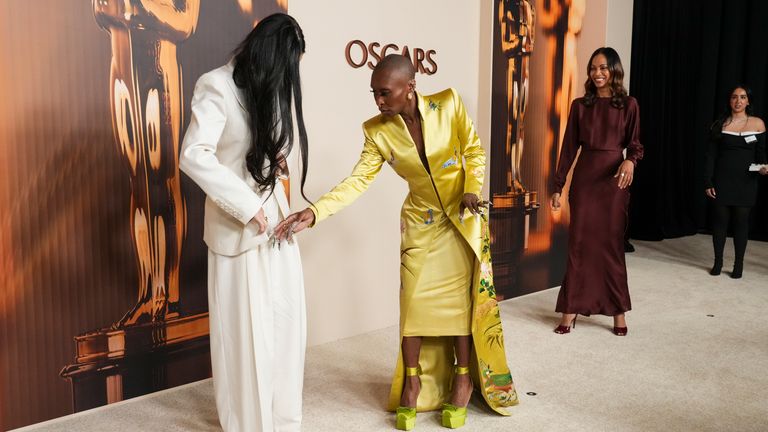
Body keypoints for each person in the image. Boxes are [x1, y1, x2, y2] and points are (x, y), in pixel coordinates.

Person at [275, 54, 518, 430]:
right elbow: (357, 180)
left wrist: (471, 190)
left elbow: (473, 150)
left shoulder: (449, 103)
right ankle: (413, 382)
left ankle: (464, 378)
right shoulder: (377, 130)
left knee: (458, 307)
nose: (378, 101)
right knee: (413, 307)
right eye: (374, 93)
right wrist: (316, 212)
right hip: (421, 225)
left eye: (385, 93)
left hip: (461, 219)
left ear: (410, 87)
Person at [179, 13, 309, 432]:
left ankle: (283, 421)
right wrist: (245, 205)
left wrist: (278, 179)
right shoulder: (214, 85)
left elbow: (263, 148)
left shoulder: (268, 87)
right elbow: (194, 154)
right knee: (244, 337)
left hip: (275, 227)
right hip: (237, 231)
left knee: (286, 328)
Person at [550, 47, 643, 336]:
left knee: (611, 246)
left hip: (614, 181)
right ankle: (570, 309)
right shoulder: (580, 105)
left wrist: (630, 159)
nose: (597, 73)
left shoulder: (629, 105)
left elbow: (636, 144)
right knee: (578, 244)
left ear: (615, 70)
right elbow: (567, 149)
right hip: (586, 181)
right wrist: (558, 186)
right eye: (593, 68)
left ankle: (618, 311)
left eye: (603, 68)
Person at [705, 85, 767, 279]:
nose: (738, 101)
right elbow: (710, 157)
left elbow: (761, 154)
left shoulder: (758, 123)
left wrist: (763, 167)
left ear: (748, 101)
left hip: (746, 182)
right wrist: (708, 182)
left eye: (742, 97)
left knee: (741, 224)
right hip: (722, 181)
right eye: (734, 97)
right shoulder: (720, 124)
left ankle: (738, 264)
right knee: (720, 223)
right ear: (729, 100)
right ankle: (717, 262)